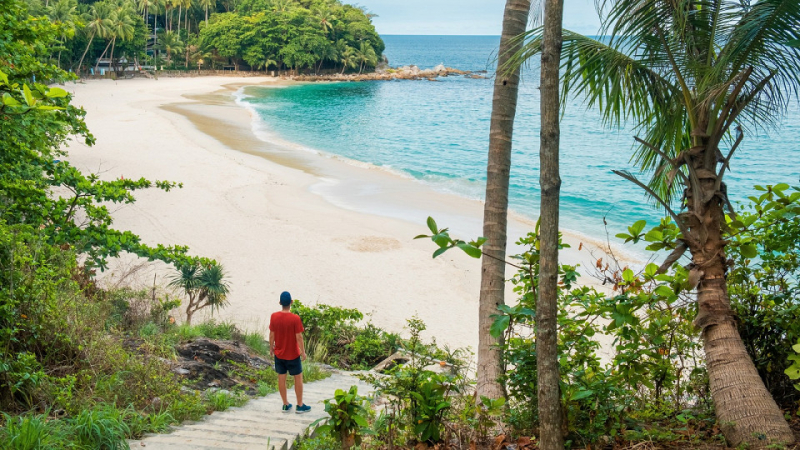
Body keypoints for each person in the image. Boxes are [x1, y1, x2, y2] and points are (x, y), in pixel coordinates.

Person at [269, 291, 310, 413]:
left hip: (279, 354)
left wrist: (271, 348)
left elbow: (272, 334)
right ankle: (299, 405)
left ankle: (285, 404)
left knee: (281, 378)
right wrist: (303, 352)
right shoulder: (295, 318)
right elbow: (299, 337)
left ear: (280, 303)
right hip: (293, 354)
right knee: (298, 378)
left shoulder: (274, 316)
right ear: (291, 302)